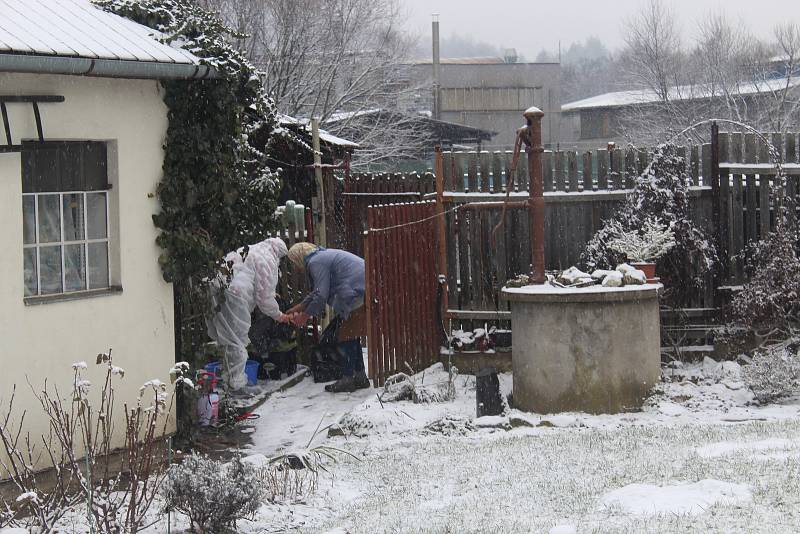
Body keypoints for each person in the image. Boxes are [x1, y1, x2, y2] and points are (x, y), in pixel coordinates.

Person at [207, 237, 290, 398]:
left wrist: (270, 295)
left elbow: (251, 277)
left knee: (227, 338)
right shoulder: (269, 259)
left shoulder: (251, 249)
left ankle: (228, 379)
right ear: (279, 253)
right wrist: (279, 315)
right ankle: (237, 386)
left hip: (216, 288)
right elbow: (264, 298)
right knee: (237, 339)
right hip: (235, 295)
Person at [286, 243, 369, 393]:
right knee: (352, 333)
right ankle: (359, 376)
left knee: (346, 334)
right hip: (363, 285)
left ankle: (348, 378)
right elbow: (318, 291)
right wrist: (299, 307)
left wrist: (305, 316)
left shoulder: (315, 262)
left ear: (298, 257)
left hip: (354, 290)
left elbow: (321, 295)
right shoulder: (321, 256)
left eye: (293, 262)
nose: (295, 267)